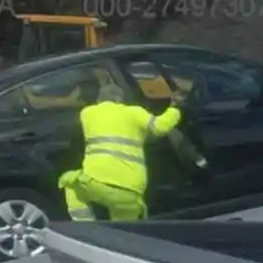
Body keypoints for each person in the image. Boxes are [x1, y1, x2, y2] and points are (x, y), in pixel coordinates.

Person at [57, 79, 182, 223]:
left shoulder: (87, 113)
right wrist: (175, 108)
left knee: (69, 183)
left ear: (99, 99)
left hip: (96, 183)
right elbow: (161, 127)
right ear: (121, 100)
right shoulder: (134, 112)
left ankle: (86, 225)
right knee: (124, 230)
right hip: (130, 190)